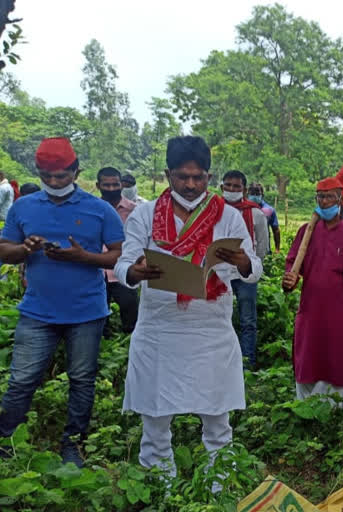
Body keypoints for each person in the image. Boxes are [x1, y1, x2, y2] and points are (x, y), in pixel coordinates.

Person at [114, 136, 262, 483]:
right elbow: (123, 266)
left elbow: (254, 269)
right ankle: (159, 486)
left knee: (217, 418)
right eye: (183, 177)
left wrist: (241, 261)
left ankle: (218, 485)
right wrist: (136, 271)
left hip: (210, 329)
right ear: (168, 174)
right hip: (159, 330)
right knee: (155, 416)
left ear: (209, 177)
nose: (191, 185)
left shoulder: (227, 216)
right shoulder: (145, 215)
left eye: (198, 178)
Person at [0, 137, 125, 467]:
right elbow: (5, 251)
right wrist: (25, 249)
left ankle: (74, 443)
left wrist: (83, 256)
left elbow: (119, 256)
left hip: (86, 312)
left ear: (76, 171)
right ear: (38, 172)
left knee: (82, 379)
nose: (54, 183)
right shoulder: (23, 207)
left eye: (62, 176)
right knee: (22, 379)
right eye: (47, 176)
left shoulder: (99, 210)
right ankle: (6, 439)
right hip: (37, 311)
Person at [283, 177, 343, 399]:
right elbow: (293, 264)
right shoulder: (307, 230)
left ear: (340, 200)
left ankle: (340, 412)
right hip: (311, 309)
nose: (324, 202)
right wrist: (289, 280)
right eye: (321, 197)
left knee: (338, 357)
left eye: (329, 197)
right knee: (309, 355)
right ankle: (306, 409)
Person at [220, 170, 269, 369]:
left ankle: (247, 363)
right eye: (228, 186)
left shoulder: (255, 213)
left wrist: (249, 264)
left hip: (245, 273)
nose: (232, 190)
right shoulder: (213, 211)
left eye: (236, 187)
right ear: (222, 187)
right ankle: (224, 360)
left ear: (244, 190)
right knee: (221, 317)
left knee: (248, 319)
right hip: (220, 272)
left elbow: (262, 247)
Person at [96, 166, 139, 336]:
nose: (111, 189)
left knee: (130, 312)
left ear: (121, 185)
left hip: (125, 268)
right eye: (107, 185)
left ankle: (130, 347)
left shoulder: (134, 210)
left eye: (115, 185)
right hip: (98, 269)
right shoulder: (91, 209)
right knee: (100, 314)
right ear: (98, 186)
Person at [247, 183, 280, 252]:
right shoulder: (242, 209)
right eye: (252, 194)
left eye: (257, 194)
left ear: (262, 195)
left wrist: (277, 249)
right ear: (247, 194)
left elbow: (276, 230)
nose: (255, 196)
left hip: (264, 248)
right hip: (246, 248)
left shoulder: (268, 210)